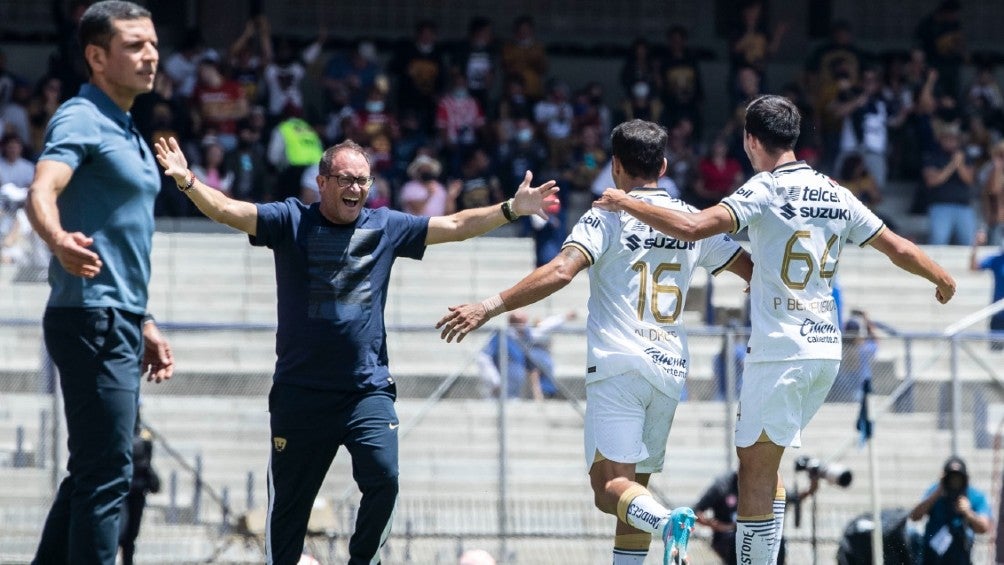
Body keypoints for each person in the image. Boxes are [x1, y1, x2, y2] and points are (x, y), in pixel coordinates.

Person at [153, 135, 557, 564]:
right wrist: (187, 181)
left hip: (366, 389)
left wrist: (512, 208)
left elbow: (456, 226)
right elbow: (229, 210)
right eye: (346, 179)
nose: (356, 189)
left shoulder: (385, 225)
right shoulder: (290, 220)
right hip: (301, 393)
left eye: (363, 180)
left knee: (384, 477)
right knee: (289, 509)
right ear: (322, 181)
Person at [594, 95, 956, 564]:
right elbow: (897, 246)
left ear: (750, 139)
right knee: (768, 466)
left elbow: (691, 226)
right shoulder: (835, 192)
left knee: (754, 476)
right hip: (825, 351)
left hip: (781, 352)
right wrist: (941, 277)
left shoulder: (763, 189)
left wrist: (624, 201)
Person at [435, 119, 754, 564]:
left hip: (619, 365)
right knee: (632, 495)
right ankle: (658, 529)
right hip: (669, 371)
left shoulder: (607, 214)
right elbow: (751, 269)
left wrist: (489, 305)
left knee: (608, 491)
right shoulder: (689, 221)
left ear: (616, 167)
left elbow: (562, 270)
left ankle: (669, 523)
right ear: (662, 165)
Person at [24, 3, 175, 563]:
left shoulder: (128, 125)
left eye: (153, 43)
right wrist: (57, 239)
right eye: (134, 45)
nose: (150, 55)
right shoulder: (82, 116)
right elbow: (42, 190)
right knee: (111, 470)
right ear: (96, 56)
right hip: (91, 316)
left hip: (118, 316)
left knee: (95, 469)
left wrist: (146, 318)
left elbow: (121, 237)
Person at [694, 468, 818, 565]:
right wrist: (721, 527)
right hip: (730, 538)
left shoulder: (764, 484)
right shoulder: (723, 485)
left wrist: (812, 486)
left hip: (760, 537)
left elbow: (794, 497)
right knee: (737, 540)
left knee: (778, 542)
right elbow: (696, 511)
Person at [909, 456, 991, 565]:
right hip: (932, 558)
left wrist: (968, 513)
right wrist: (938, 492)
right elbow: (914, 517)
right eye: (951, 478)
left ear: (965, 478)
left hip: (961, 558)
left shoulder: (974, 495)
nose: (954, 482)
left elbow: (984, 528)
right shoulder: (935, 491)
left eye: (958, 478)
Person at [118, 411, 161, 565]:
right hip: (121, 492)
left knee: (130, 537)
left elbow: (147, 463)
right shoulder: (118, 433)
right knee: (120, 533)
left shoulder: (144, 437)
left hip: (137, 491)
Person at [970, 230, 1004, 350]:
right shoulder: (997, 259)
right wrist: (976, 245)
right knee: (996, 352)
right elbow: (974, 267)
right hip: (997, 314)